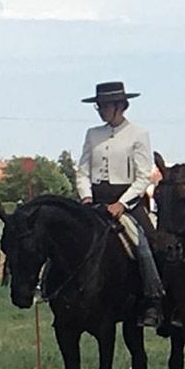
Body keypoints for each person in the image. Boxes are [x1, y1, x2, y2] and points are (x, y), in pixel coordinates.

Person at [76, 81, 164, 328]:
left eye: (105, 106)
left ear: (120, 106)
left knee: (145, 243)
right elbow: (82, 171)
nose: (101, 110)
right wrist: (86, 197)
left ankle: (153, 298)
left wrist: (122, 204)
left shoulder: (138, 134)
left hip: (127, 201)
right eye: (99, 106)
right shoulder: (92, 134)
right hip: (95, 200)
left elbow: (143, 177)